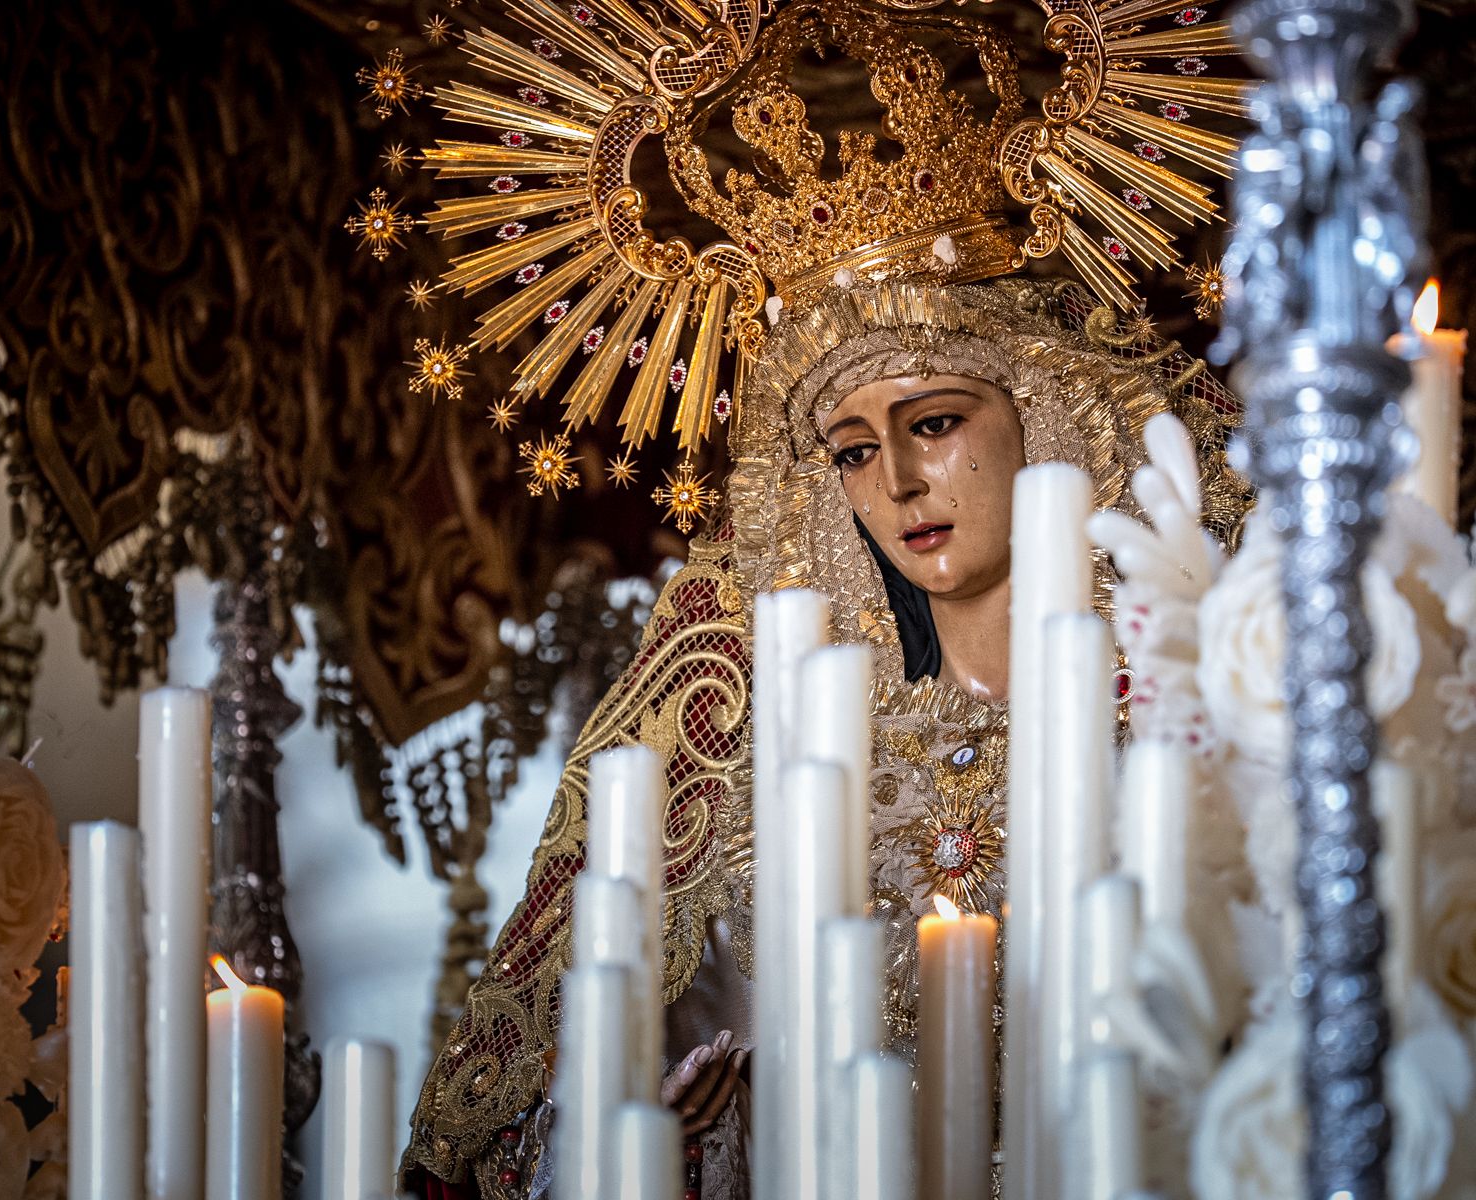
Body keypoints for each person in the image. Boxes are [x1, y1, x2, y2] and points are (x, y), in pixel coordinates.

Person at [394, 0, 1250, 1193]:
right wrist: (655, 1138)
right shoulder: (758, 749)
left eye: (935, 423)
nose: (896, 481)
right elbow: (591, 1098)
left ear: (1047, 416)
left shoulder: (1198, 700)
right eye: (849, 449)